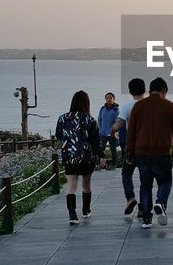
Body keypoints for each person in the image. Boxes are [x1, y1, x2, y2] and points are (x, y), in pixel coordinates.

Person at [127, 77, 173, 229]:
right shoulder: (169, 105)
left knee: (145, 186)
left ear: (150, 90)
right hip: (162, 153)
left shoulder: (138, 106)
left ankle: (146, 218)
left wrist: (130, 153)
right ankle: (160, 203)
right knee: (165, 182)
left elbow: (131, 132)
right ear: (164, 91)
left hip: (141, 154)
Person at [55, 90, 106, 225]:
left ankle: (72, 214)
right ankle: (86, 210)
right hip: (86, 157)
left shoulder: (62, 118)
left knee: (71, 186)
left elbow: (59, 135)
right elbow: (95, 141)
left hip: (69, 156)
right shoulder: (90, 120)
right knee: (86, 185)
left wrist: (70, 140)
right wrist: (101, 155)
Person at [111, 78, 146, 217]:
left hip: (131, 147)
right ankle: (143, 208)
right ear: (145, 90)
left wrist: (112, 132)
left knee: (126, 173)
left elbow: (118, 125)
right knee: (145, 178)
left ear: (130, 91)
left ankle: (130, 198)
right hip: (147, 148)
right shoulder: (148, 105)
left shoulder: (127, 106)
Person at [99, 93, 121, 169]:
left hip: (112, 133)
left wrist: (114, 131)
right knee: (101, 149)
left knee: (113, 149)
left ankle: (113, 165)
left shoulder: (116, 110)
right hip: (103, 133)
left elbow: (117, 122)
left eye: (110, 98)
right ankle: (100, 164)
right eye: (107, 98)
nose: (109, 99)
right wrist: (100, 129)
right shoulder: (102, 109)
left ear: (113, 99)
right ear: (105, 99)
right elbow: (99, 119)